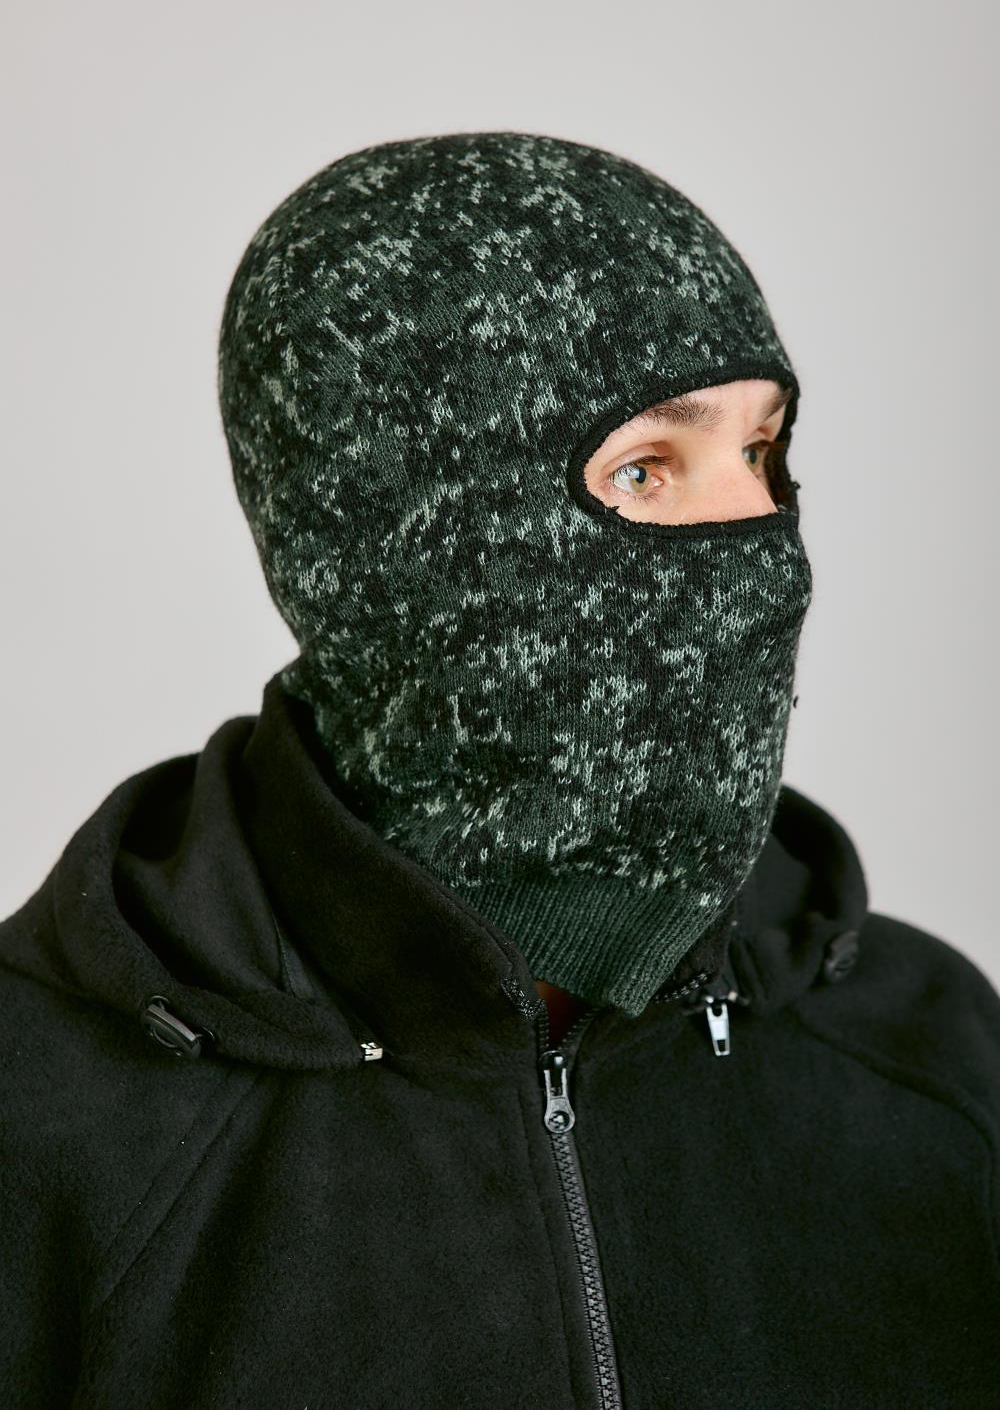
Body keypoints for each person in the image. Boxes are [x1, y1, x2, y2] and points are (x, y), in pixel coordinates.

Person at [1, 130, 997, 1408]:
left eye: (760, 454)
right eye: (646, 469)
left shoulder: (925, 1052)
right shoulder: (44, 1117)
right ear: (392, 540)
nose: (761, 539)